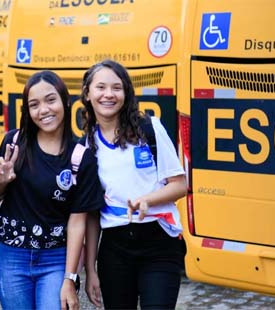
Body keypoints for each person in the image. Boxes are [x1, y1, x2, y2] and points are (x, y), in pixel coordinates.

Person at [0, 70, 104, 310]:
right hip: (12, 258)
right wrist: (1, 181)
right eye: (34, 104)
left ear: (65, 101)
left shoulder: (82, 156)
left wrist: (70, 278)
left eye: (51, 100)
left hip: (56, 259)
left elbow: (78, 222)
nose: (44, 110)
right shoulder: (13, 143)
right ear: (27, 111)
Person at [81, 60, 187, 309]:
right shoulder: (86, 146)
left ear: (126, 93)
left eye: (117, 87)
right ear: (87, 93)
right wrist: (90, 270)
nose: (109, 94)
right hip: (114, 248)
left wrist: (147, 199)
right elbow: (92, 214)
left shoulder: (149, 129)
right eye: (101, 87)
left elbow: (180, 185)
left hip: (159, 243)